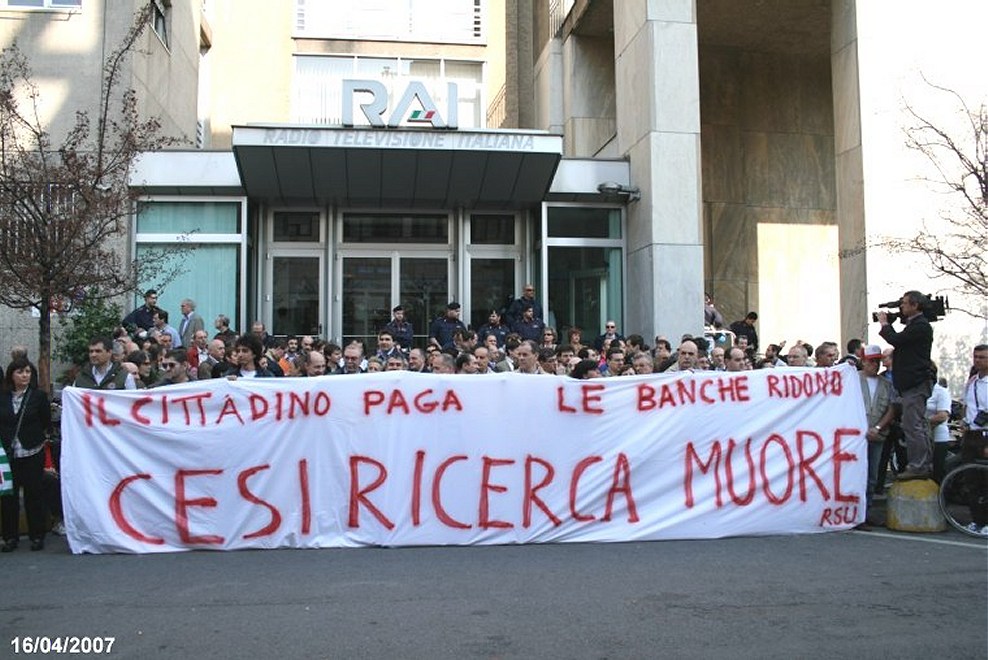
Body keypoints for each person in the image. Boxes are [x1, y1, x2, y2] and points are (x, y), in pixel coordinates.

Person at [878, 291, 934, 480]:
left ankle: (919, 466)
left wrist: (885, 324)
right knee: (912, 425)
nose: (901, 307)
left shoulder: (921, 326)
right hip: (910, 383)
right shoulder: (914, 325)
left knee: (913, 425)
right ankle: (919, 464)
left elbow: (896, 340)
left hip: (916, 383)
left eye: (904, 304)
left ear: (915, 305)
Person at [0, 357, 52, 552]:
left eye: (28, 372)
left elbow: (45, 420)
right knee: (8, 497)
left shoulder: (37, 396)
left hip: (32, 451)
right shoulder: (3, 397)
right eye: (20, 372)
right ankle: (10, 537)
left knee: (34, 494)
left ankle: (37, 535)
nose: (24, 375)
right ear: (11, 375)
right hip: (8, 454)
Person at [858, 345, 896, 509]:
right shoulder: (853, 380)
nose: (875, 365)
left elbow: (891, 409)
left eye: (878, 361)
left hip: (877, 435)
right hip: (855, 437)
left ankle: (866, 511)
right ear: (863, 361)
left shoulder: (886, 384)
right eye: (872, 361)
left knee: (872, 475)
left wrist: (878, 427)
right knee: (853, 474)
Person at [959, 344, 988, 533]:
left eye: (982, 357)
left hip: (985, 435)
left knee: (986, 481)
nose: (978, 360)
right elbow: (966, 404)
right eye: (976, 357)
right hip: (971, 434)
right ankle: (977, 520)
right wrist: (964, 422)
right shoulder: (972, 382)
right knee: (971, 480)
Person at [926, 362, 952, 483]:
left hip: (937, 437)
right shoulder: (920, 391)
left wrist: (923, 422)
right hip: (922, 437)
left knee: (937, 471)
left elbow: (943, 415)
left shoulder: (941, 392)